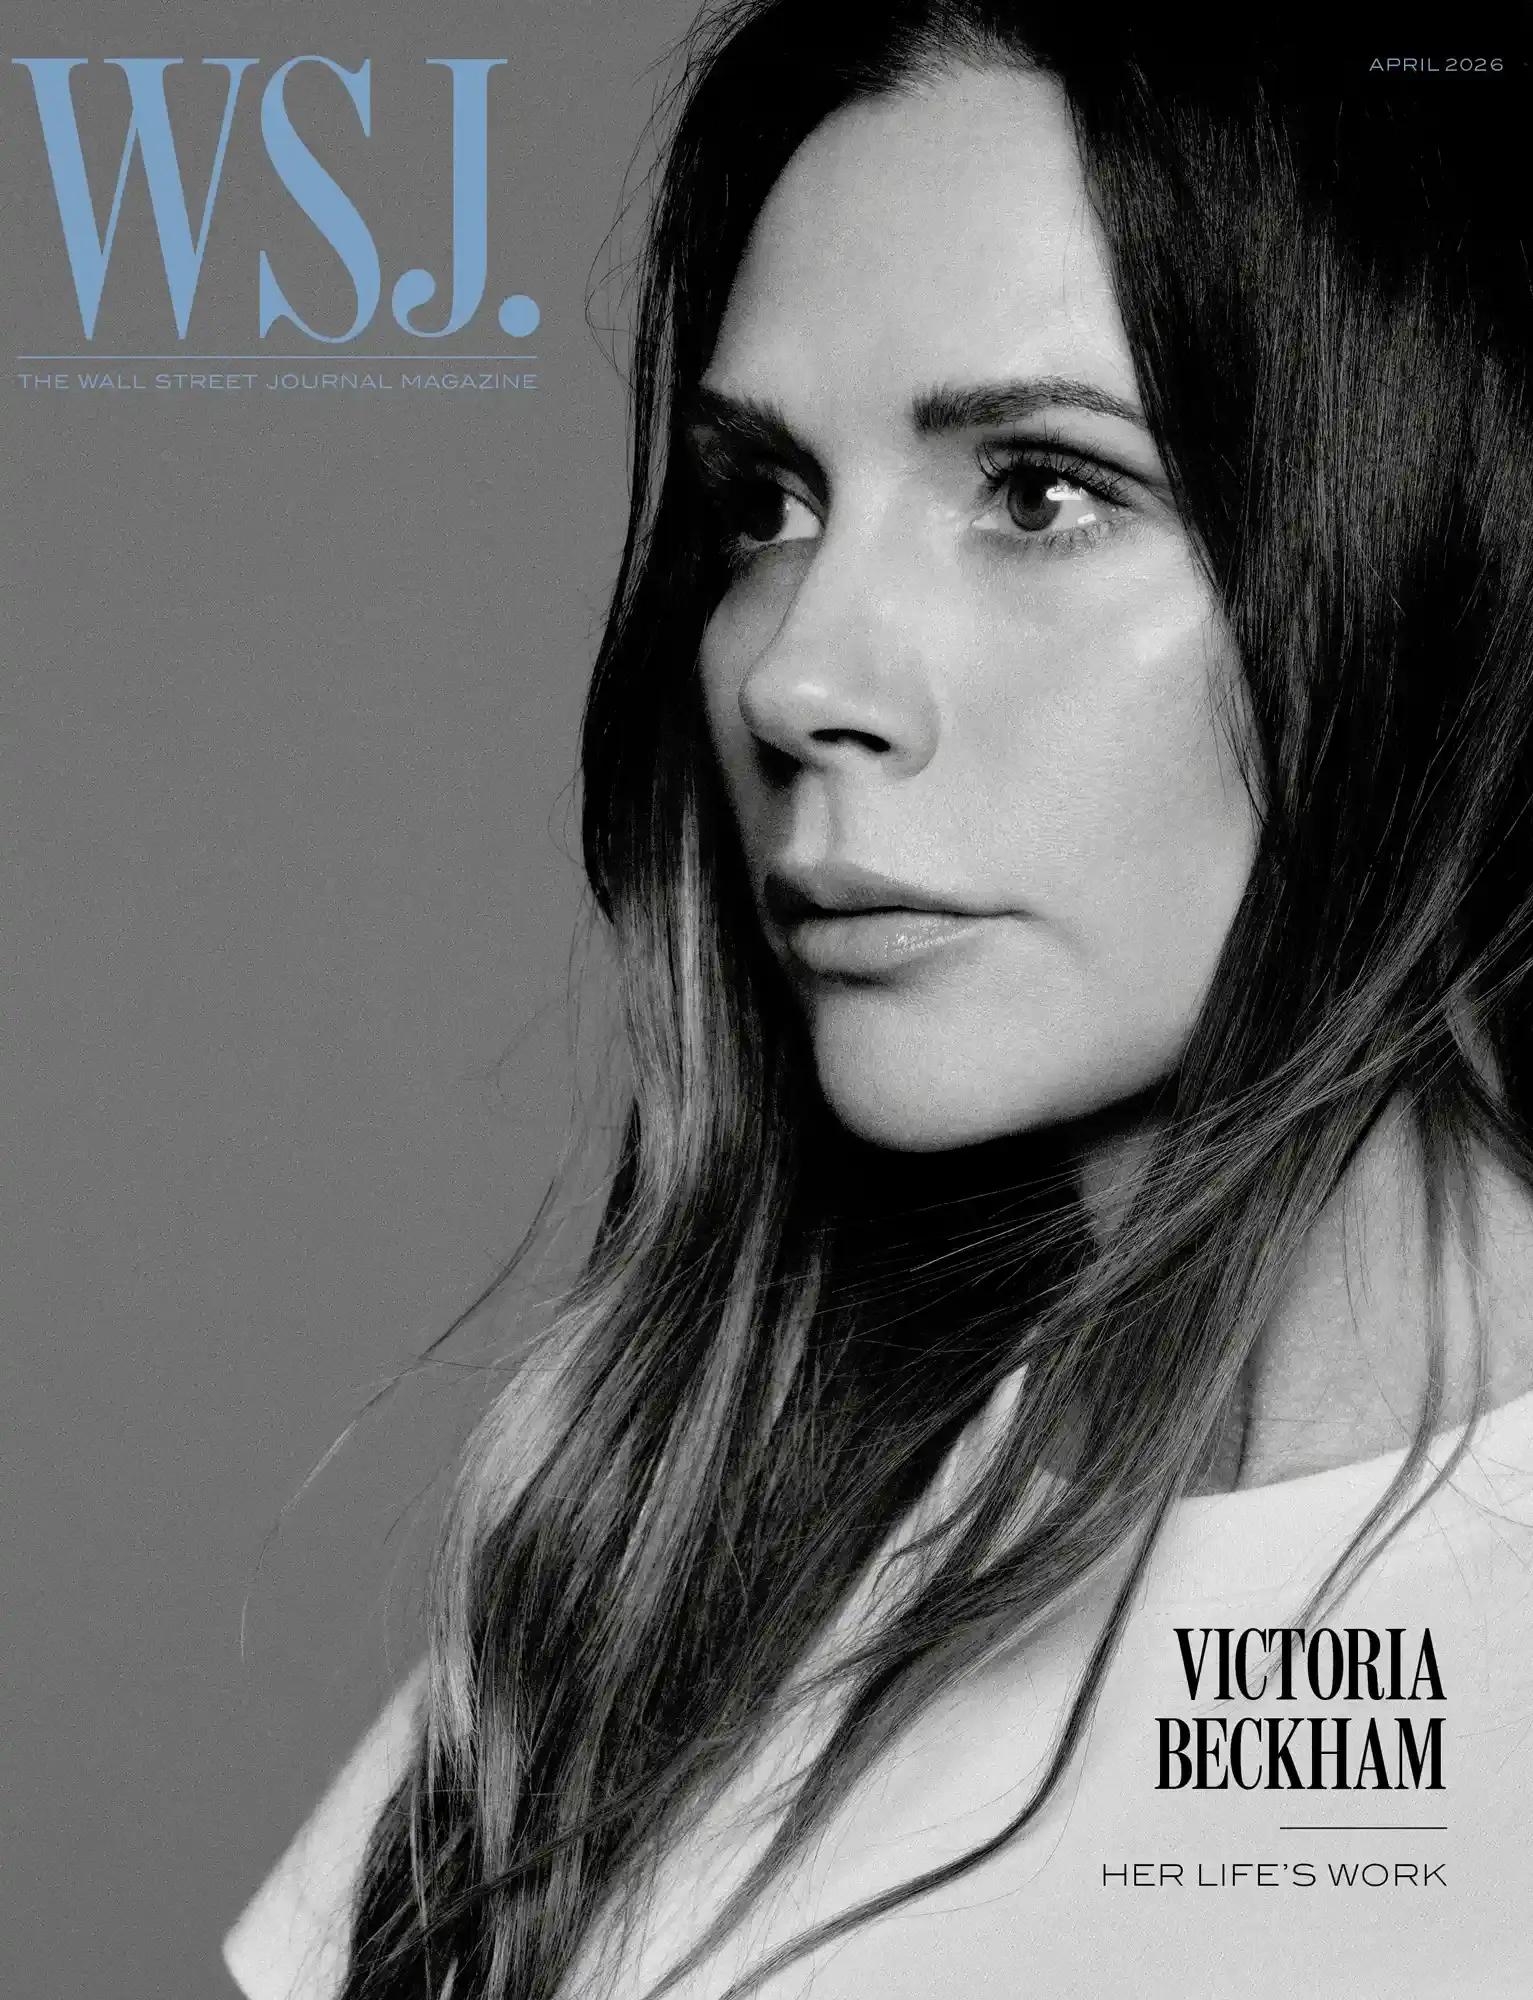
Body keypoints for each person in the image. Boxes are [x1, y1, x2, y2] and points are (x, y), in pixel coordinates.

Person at [225, 4, 1533, 1996]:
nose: (790, 673)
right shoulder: (665, 1554)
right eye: (764, 503)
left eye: (1038, 490)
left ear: (1448, 565)